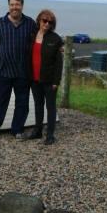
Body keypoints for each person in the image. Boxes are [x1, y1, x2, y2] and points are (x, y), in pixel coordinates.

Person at [0, 0, 37, 140]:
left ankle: (17, 130)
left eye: (17, 4)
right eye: (12, 4)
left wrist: (57, 45)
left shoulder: (30, 23)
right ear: (9, 5)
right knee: (0, 102)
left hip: (23, 72)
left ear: (22, 6)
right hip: (4, 72)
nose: (15, 7)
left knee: (22, 103)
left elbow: (40, 39)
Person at [26, 9, 63, 145]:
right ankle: (38, 131)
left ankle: (50, 135)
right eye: (44, 21)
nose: (47, 24)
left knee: (51, 107)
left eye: (50, 22)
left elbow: (59, 63)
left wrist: (56, 81)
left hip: (49, 81)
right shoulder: (32, 35)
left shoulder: (55, 39)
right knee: (38, 105)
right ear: (39, 21)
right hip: (34, 79)